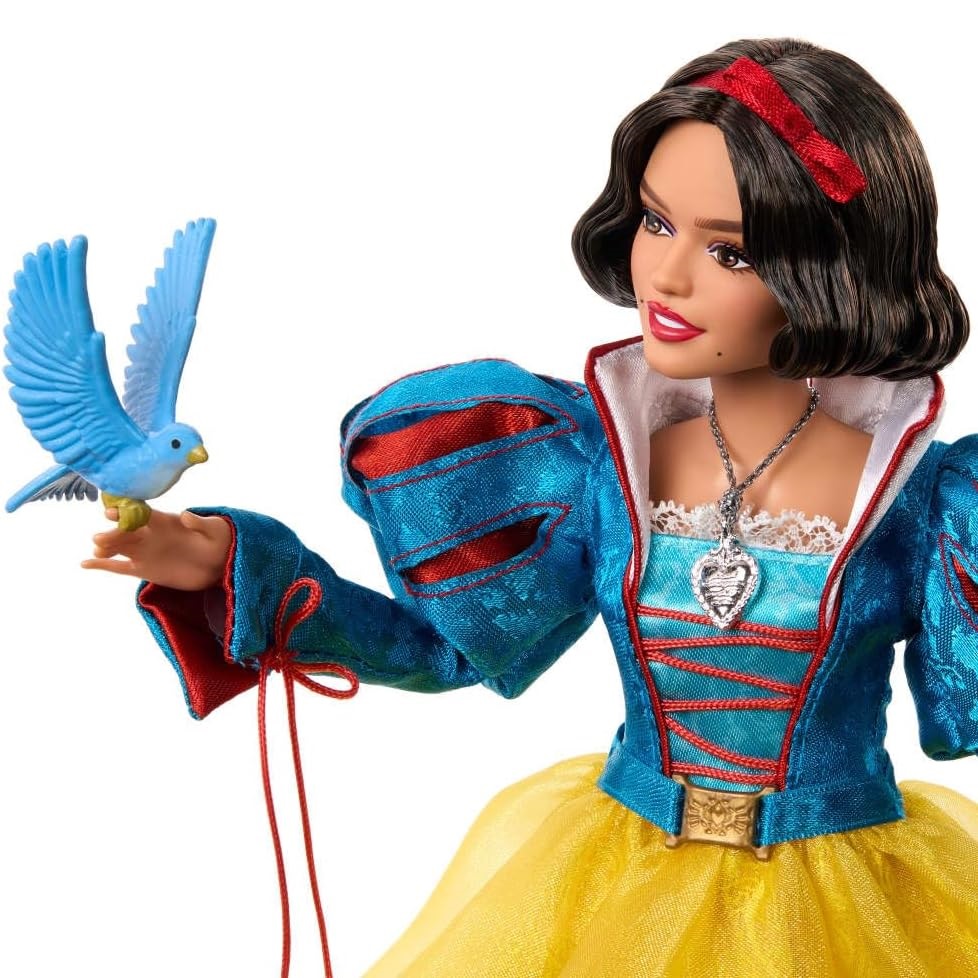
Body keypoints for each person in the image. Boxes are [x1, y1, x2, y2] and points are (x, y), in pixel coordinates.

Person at [84, 37, 978, 976]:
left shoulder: (927, 505)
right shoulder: (593, 465)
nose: (666, 276)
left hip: (840, 909)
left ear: (831, 269)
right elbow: (440, 650)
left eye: (731, 251)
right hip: (622, 886)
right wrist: (236, 567)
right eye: (656, 221)